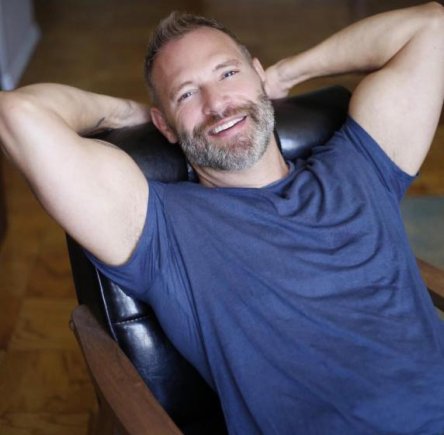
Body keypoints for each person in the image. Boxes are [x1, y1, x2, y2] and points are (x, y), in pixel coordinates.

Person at [0, 2, 443, 433]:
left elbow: (431, 27)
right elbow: (17, 115)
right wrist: (123, 114)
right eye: (186, 94)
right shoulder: (161, 230)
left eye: (228, 74)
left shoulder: (360, 161)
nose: (217, 104)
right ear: (165, 125)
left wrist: (287, 73)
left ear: (257, 75)